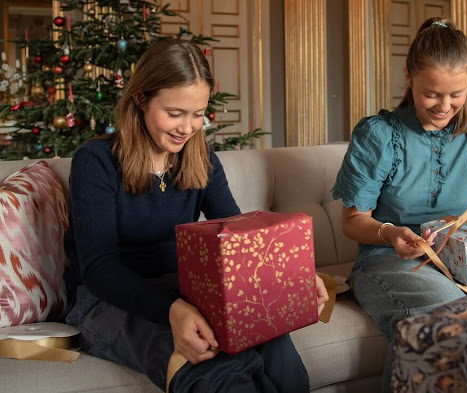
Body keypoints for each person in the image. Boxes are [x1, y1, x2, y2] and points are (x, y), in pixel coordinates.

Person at [63, 38, 328, 393]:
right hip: (106, 300)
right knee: (214, 372)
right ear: (141, 99)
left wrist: (294, 279)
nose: (187, 128)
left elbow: (239, 237)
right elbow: (98, 267)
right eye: (174, 113)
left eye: (198, 114)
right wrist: (172, 309)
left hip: (180, 288)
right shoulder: (95, 161)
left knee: (278, 354)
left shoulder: (199, 157)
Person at [332, 17, 467, 392]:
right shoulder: (379, 134)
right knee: (447, 318)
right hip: (391, 260)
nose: (445, 106)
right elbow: (353, 220)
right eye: (432, 93)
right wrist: (389, 234)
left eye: (457, 93)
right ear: (408, 77)